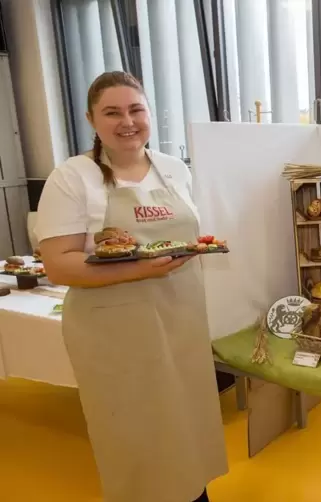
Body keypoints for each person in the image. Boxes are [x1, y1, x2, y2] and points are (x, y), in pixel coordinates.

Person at [35, 71, 228, 502]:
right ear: (91, 119)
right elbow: (59, 265)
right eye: (112, 112)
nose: (127, 121)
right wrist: (143, 270)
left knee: (185, 424)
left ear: (149, 114)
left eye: (135, 110)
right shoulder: (72, 178)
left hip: (178, 318)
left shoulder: (174, 169)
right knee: (135, 435)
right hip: (113, 332)